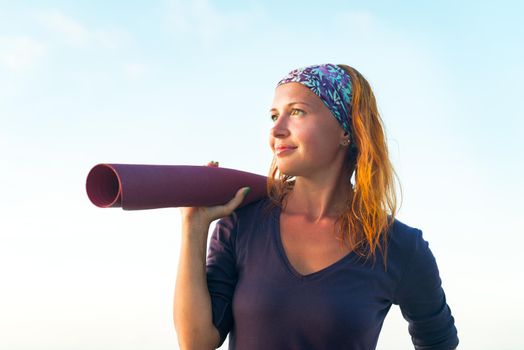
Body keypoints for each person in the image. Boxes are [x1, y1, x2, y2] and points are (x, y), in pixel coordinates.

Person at [173, 63, 459, 349]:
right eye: (274, 116)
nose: (277, 129)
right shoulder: (242, 222)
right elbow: (196, 342)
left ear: (346, 130)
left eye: (297, 112)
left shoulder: (400, 246)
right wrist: (193, 227)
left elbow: (439, 342)